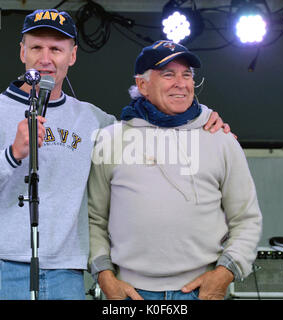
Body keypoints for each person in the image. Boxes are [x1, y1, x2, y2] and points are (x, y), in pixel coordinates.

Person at [0, 10, 229, 300]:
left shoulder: (93, 121)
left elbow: (151, 137)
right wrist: (10, 155)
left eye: (56, 49)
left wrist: (202, 118)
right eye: (37, 47)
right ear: (22, 52)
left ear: (72, 56)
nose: (46, 58)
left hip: (66, 274)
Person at [88, 40, 263, 300]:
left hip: (200, 291)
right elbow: (94, 219)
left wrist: (225, 273)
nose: (180, 83)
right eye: (168, 74)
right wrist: (105, 278)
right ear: (142, 84)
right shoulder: (109, 140)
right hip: (129, 294)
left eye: (187, 75)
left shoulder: (220, 138)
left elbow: (246, 219)